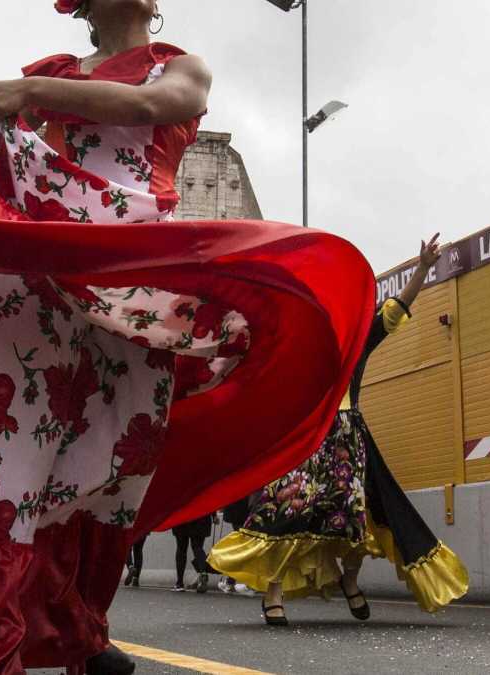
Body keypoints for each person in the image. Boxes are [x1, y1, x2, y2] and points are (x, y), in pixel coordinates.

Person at [0, 1, 376, 671]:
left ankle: (72, 628)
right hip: (38, 279)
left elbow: (156, 106)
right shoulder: (58, 74)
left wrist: (29, 93)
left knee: (101, 466)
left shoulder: (177, 68)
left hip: (133, 291)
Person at [208, 235, 470, 625]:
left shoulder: (360, 337)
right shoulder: (294, 342)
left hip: (348, 441)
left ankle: (349, 580)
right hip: (304, 438)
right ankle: (273, 593)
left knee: (351, 519)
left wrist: (421, 269)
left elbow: (396, 310)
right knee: (284, 509)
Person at [216, 495, 252, 593]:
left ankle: (232, 581)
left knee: (241, 548)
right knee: (242, 547)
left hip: (239, 513)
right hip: (244, 512)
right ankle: (231, 581)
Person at [170, 512, 213, 593]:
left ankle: (179, 583)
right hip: (201, 517)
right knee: (198, 548)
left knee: (181, 549)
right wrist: (214, 515)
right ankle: (203, 573)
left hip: (181, 517)